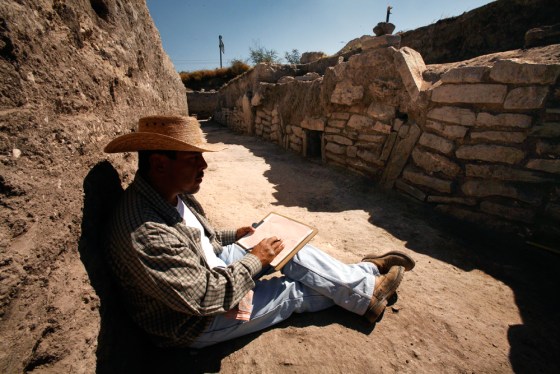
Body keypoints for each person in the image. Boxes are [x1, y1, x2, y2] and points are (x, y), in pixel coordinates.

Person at [104, 115, 415, 349]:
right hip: (194, 322)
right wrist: (255, 259)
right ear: (159, 164)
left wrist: (234, 237)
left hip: (210, 265)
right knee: (290, 291)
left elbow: (197, 238)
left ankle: (361, 280)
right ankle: (365, 287)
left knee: (284, 244)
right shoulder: (145, 232)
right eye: (193, 158)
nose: (204, 165)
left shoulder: (169, 191)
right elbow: (205, 297)